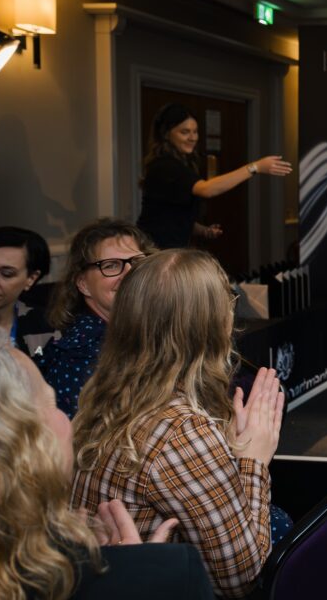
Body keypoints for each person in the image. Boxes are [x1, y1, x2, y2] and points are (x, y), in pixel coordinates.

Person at [70, 248, 285, 599]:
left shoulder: (101, 400)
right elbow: (242, 578)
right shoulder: (181, 432)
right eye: (228, 301)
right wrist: (254, 462)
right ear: (215, 323)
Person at [0, 331, 214, 600]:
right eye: (53, 403)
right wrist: (139, 575)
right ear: (27, 446)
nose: (68, 419)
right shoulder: (172, 574)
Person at [37, 218, 154, 418]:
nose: (129, 273)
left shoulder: (149, 330)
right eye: (110, 265)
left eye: (137, 262)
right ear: (83, 283)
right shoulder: (80, 355)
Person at [136, 102, 292, 249]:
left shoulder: (180, 165)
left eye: (195, 131)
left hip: (169, 248)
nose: (193, 138)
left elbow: (173, 215)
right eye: (184, 132)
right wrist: (255, 167)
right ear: (166, 134)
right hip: (153, 250)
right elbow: (207, 189)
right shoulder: (164, 165)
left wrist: (204, 231)